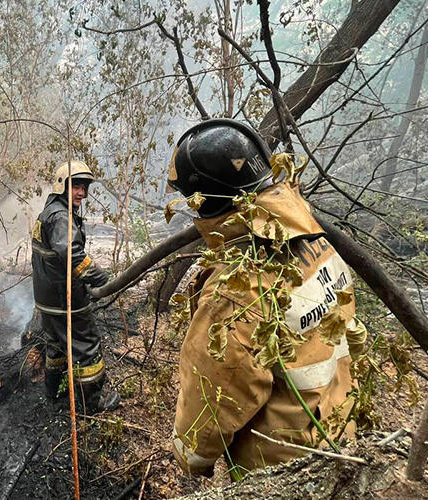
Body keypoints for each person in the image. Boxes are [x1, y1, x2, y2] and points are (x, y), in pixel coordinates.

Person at [167, 119, 364, 476]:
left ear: (204, 201)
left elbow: (212, 405)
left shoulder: (237, 288)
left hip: (282, 468)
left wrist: (189, 455)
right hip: (341, 435)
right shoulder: (316, 239)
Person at [31, 160, 120, 413]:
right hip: (65, 298)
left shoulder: (49, 211)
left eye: (84, 188)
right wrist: (102, 279)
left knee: (56, 345)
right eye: (76, 187)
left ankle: (54, 391)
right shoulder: (60, 216)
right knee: (86, 345)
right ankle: (91, 403)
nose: (82, 193)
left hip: (47, 300)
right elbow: (73, 255)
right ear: (62, 186)